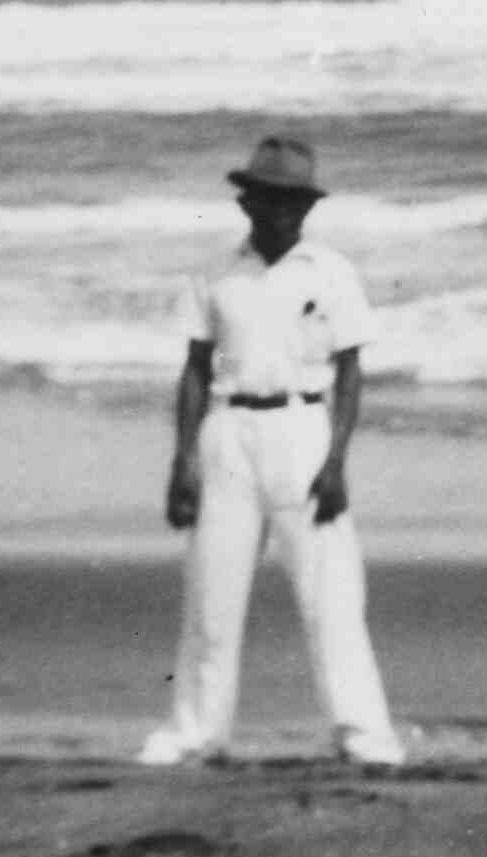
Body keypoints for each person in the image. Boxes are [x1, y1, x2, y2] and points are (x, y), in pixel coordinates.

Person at [142, 137, 405, 768]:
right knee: (212, 595)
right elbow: (196, 371)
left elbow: (350, 371)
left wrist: (337, 459)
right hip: (228, 434)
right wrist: (182, 461)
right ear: (248, 200)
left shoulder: (332, 273)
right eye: (270, 198)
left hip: (304, 430)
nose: (281, 210)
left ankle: (362, 732)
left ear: (308, 206)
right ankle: (196, 732)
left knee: (332, 594)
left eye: (293, 200)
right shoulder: (215, 276)